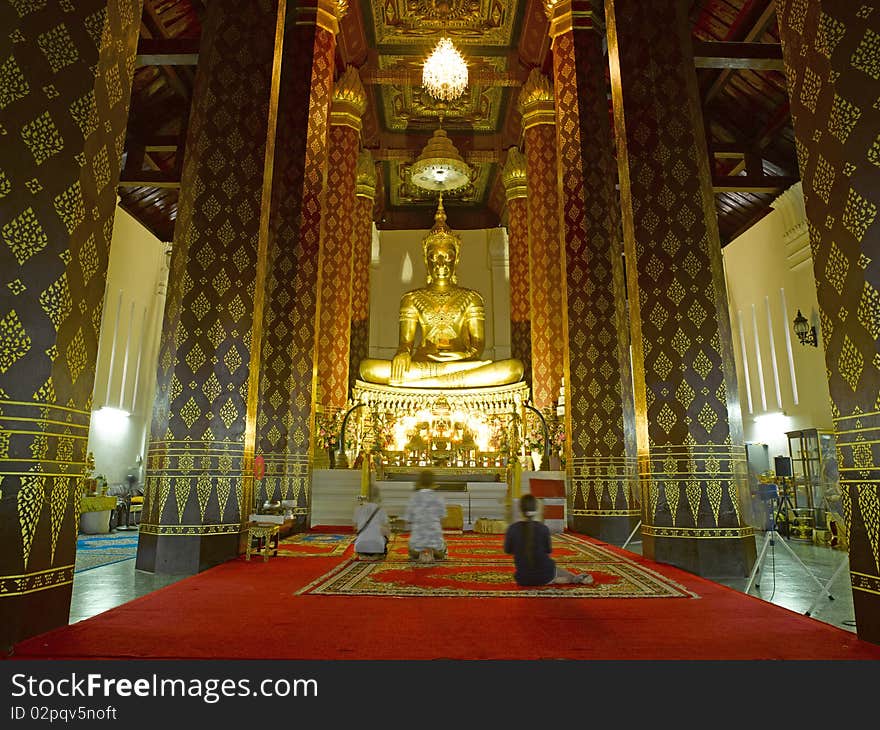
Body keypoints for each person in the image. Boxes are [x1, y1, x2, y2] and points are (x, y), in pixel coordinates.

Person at [358, 198, 524, 388]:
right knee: (368, 368)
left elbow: (477, 347)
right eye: (434, 257)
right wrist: (403, 353)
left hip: (461, 365)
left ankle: (427, 384)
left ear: (457, 259)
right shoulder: (411, 299)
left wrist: (462, 356)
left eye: (447, 257)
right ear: (426, 260)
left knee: (514, 369)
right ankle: (441, 381)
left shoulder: (472, 298)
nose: (441, 264)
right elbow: (405, 343)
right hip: (423, 366)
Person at [504, 493, 594, 586]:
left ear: (520, 509)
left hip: (523, 579)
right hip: (545, 575)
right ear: (536, 509)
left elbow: (508, 550)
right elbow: (548, 551)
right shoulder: (543, 528)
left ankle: (558, 579)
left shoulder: (512, 528)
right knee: (560, 572)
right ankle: (569, 578)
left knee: (551, 572)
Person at [404, 470, 447, 562]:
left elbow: (408, 520)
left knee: (412, 549)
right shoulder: (438, 498)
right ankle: (433, 551)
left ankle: (420, 551)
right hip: (436, 544)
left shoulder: (413, 498)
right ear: (433, 482)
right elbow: (442, 518)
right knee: (442, 547)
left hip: (416, 545)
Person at [353, 495, 390, 561]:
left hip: (360, 545)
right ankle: (376, 555)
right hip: (377, 546)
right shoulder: (381, 510)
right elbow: (386, 530)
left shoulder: (358, 509)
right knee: (383, 536)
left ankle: (363, 555)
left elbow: (355, 528)